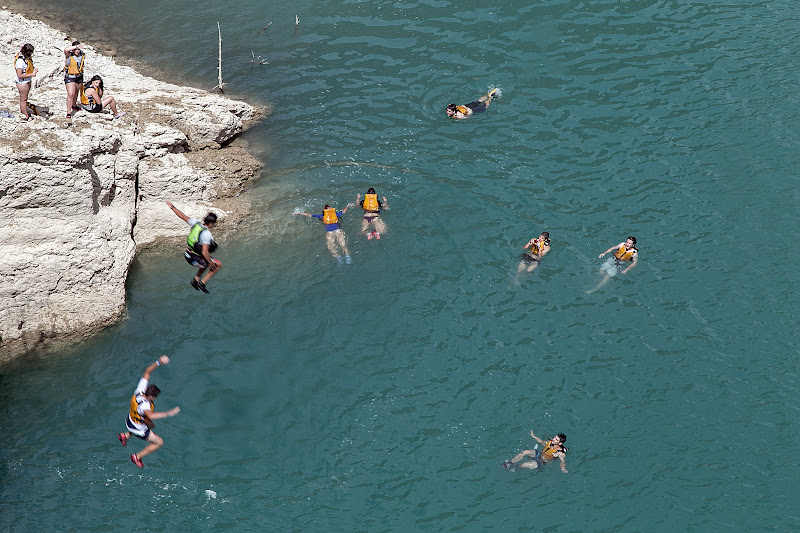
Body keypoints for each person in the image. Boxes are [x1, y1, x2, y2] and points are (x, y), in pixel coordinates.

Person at [118, 355, 180, 469]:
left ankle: (125, 435)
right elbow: (151, 415)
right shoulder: (145, 405)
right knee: (159, 442)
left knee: (151, 424)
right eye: (155, 397)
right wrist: (169, 413)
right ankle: (137, 456)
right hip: (137, 427)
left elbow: (147, 372)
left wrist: (159, 362)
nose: (156, 398)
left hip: (130, 419)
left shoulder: (140, 390)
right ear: (151, 396)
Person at [166, 201, 222, 293]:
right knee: (217, 264)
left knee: (206, 260)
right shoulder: (206, 234)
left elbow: (182, 216)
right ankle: (202, 283)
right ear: (211, 223)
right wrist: (211, 264)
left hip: (188, 254)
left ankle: (196, 280)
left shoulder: (196, 223)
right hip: (195, 259)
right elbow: (205, 252)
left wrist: (172, 207)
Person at [502, 430, 568, 473]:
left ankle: (514, 467)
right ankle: (510, 462)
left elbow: (562, 461)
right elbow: (541, 441)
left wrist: (562, 468)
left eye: (556, 439)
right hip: (538, 454)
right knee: (525, 452)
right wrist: (534, 436)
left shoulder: (560, 453)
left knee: (524, 465)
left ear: (560, 443)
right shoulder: (549, 442)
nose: (553, 439)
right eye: (554, 437)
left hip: (542, 462)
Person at [13, 43, 38, 121]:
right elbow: (19, 75)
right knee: (23, 100)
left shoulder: (27, 58)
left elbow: (28, 66)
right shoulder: (20, 62)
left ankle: (24, 111)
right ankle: (25, 115)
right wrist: (32, 74)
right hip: (22, 83)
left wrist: (33, 69)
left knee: (25, 98)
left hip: (27, 80)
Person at [64, 41, 84, 118]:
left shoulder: (82, 55)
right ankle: (68, 112)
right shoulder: (69, 55)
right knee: (71, 94)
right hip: (70, 77)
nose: (77, 51)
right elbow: (66, 50)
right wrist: (76, 46)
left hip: (79, 76)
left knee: (76, 92)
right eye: (76, 49)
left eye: (78, 49)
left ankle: (74, 105)